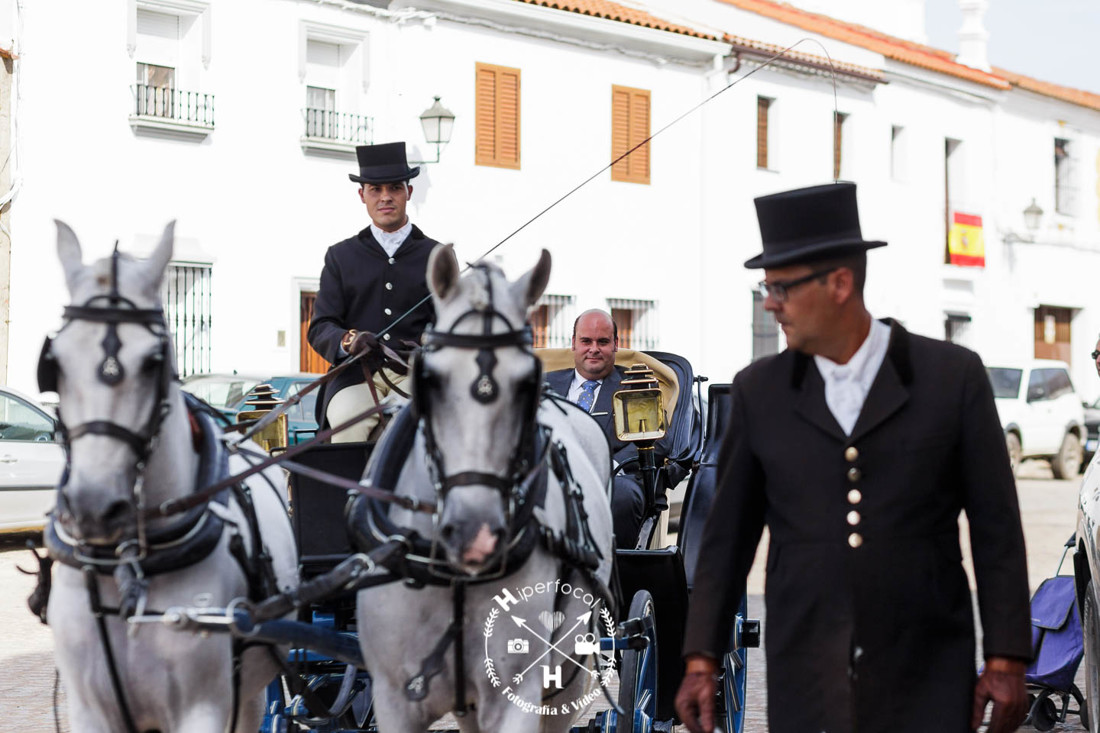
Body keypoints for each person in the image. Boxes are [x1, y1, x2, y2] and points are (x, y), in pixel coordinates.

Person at [675, 182, 1031, 733]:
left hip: (927, 669)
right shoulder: (759, 392)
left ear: (840, 283)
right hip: (806, 673)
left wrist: (1008, 656)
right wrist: (701, 658)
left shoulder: (950, 378)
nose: (770, 303)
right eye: (766, 287)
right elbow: (727, 539)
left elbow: (996, 527)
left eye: (781, 287)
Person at [308, 142, 439, 442]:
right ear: (361, 195)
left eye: (394, 188)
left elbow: (450, 324)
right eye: (375, 190)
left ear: (409, 192)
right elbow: (320, 326)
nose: (385, 198)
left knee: (413, 431)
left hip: (414, 375)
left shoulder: (436, 255)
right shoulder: (340, 256)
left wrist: (430, 341)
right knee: (346, 425)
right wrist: (348, 340)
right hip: (355, 375)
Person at [545, 309, 669, 549]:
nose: (594, 349)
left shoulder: (635, 385)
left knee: (623, 493)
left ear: (615, 345)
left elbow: (657, 441)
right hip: (549, 473)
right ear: (573, 344)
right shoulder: (543, 383)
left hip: (611, 480)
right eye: (586, 341)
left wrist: (606, 466)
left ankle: (616, 576)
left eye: (602, 342)